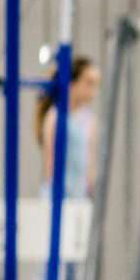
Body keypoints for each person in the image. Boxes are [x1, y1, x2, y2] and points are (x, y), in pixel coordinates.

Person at [36, 56, 98, 201]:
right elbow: (51, 166)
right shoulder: (55, 117)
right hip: (58, 196)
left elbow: (89, 163)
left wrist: (91, 194)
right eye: (89, 83)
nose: (93, 90)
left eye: (96, 84)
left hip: (80, 196)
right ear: (72, 84)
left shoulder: (89, 119)